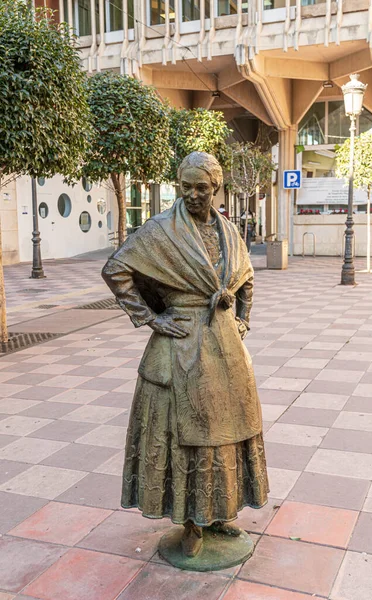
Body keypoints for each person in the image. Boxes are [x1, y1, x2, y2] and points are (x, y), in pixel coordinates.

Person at [102, 152, 269, 559]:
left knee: (229, 430)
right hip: (181, 344)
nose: (194, 195)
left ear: (216, 188)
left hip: (226, 349)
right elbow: (116, 270)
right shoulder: (161, 230)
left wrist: (243, 319)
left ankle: (219, 513)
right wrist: (152, 318)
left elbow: (246, 278)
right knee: (186, 435)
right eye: (187, 187)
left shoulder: (229, 231)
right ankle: (189, 522)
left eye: (202, 188)